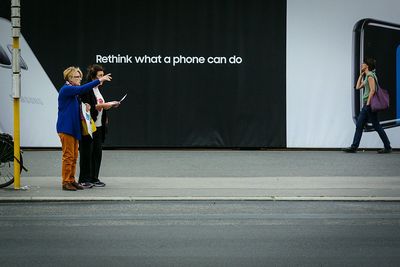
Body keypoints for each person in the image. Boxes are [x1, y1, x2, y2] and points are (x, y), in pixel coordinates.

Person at [57, 66, 112, 191]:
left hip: (74, 128)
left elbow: (75, 108)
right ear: (69, 78)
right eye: (77, 77)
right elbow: (83, 88)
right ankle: (66, 181)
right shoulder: (67, 89)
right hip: (66, 128)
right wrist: (99, 80)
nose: (79, 79)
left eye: (80, 77)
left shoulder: (73, 91)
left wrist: (85, 107)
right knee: (68, 156)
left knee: (74, 156)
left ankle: (71, 180)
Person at [78, 64, 119, 188]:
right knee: (86, 153)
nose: (103, 78)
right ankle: (84, 179)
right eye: (100, 76)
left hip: (99, 126)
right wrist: (104, 106)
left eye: (103, 75)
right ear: (93, 77)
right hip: (89, 127)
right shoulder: (86, 89)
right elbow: (87, 107)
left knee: (97, 152)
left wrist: (110, 105)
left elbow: (99, 106)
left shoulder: (97, 89)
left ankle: (94, 178)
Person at [343, 58, 392, 153]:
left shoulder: (370, 76)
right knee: (360, 125)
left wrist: (368, 103)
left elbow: (373, 90)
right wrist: (361, 75)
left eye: (363, 63)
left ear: (367, 66)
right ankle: (354, 147)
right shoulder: (367, 76)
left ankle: (387, 147)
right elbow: (357, 87)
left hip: (369, 105)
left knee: (374, 126)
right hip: (367, 105)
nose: (362, 64)